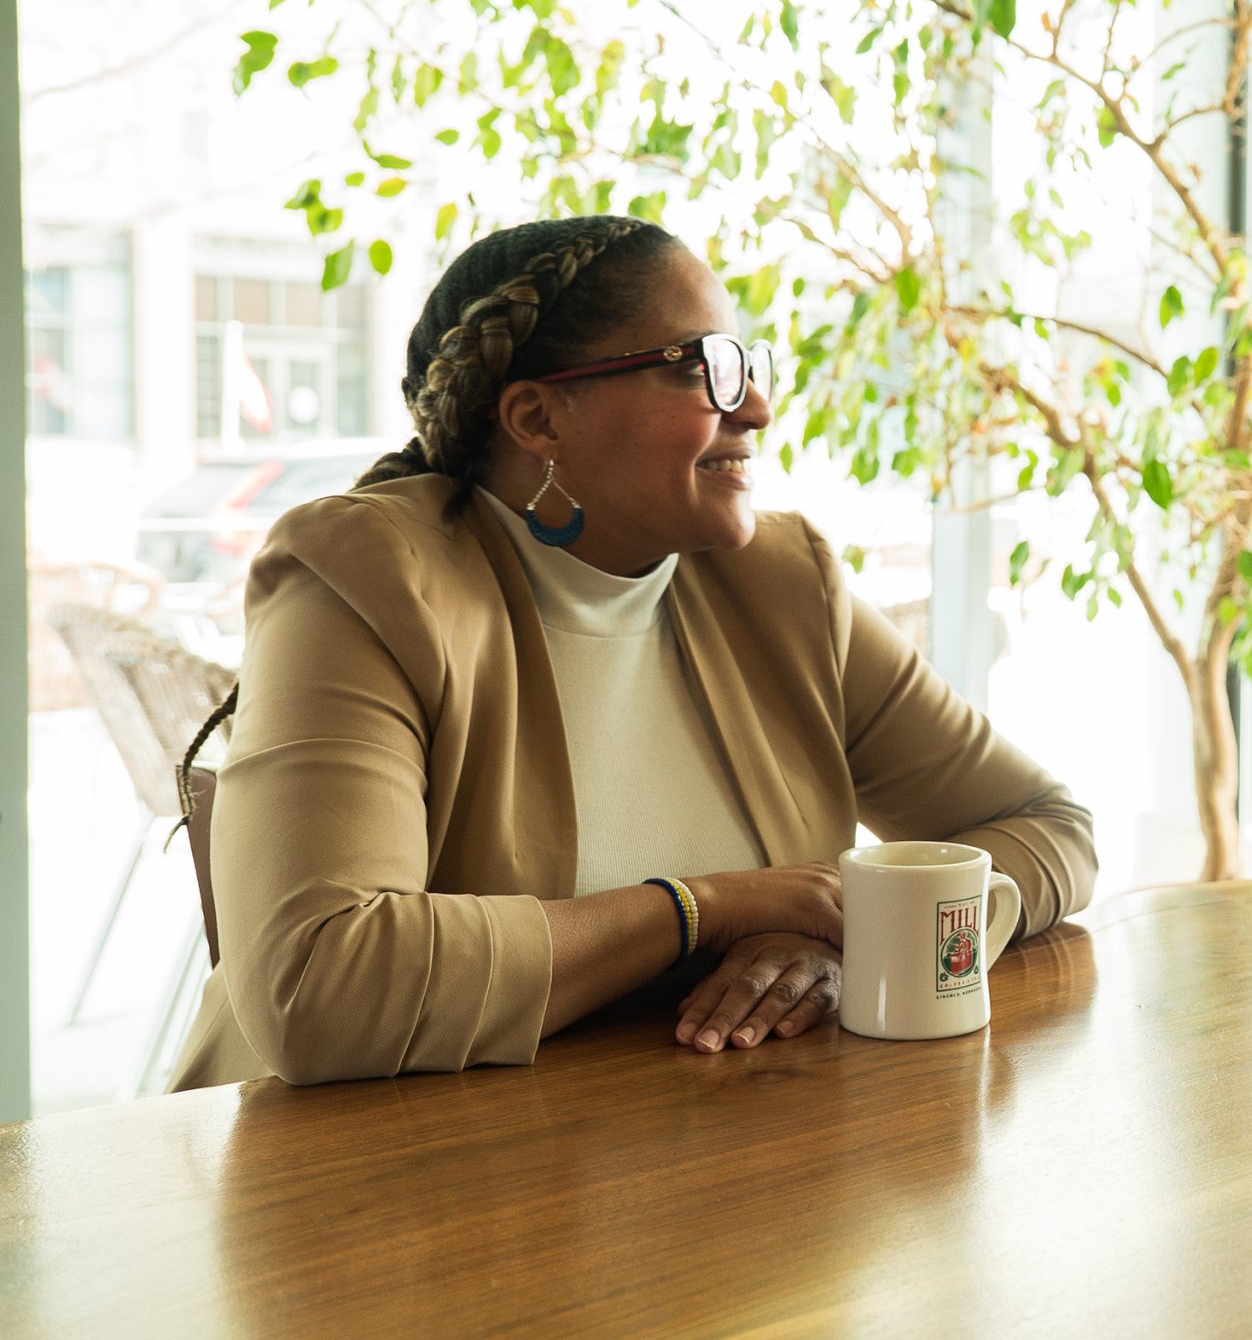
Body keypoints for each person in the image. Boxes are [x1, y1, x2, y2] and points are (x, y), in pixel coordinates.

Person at [170, 217, 1097, 1088]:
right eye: (707, 369)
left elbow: (1047, 826)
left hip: (702, 1153)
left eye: (750, 366)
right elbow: (321, 987)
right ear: (538, 419)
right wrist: (709, 909)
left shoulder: (783, 585)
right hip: (356, 1174)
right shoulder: (368, 579)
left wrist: (855, 940)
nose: (757, 407)